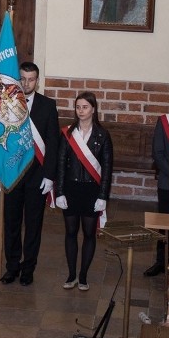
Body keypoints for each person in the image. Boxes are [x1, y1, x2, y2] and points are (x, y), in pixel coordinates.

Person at [0, 61, 59, 286]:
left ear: (37, 80)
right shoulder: (6, 103)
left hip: (37, 176)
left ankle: (28, 268)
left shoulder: (47, 106)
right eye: (22, 79)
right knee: (11, 223)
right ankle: (12, 266)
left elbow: (53, 144)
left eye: (31, 79)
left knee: (33, 225)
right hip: (13, 174)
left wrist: (49, 176)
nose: (26, 83)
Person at [55, 92, 113, 291]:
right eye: (78, 107)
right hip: (71, 189)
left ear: (93, 109)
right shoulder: (67, 133)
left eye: (85, 107)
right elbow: (61, 163)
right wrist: (59, 191)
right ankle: (71, 275)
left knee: (89, 233)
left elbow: (107, 168)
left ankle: (83, 275)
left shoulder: (102, 135)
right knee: (70, 232)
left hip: (91, 190)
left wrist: (103, 196)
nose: (81, 111)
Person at [145, 103, 169, 277]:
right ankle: (161, 261)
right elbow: (158, 152)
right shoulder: (165, 121)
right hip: (168, 181)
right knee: (164, 223)